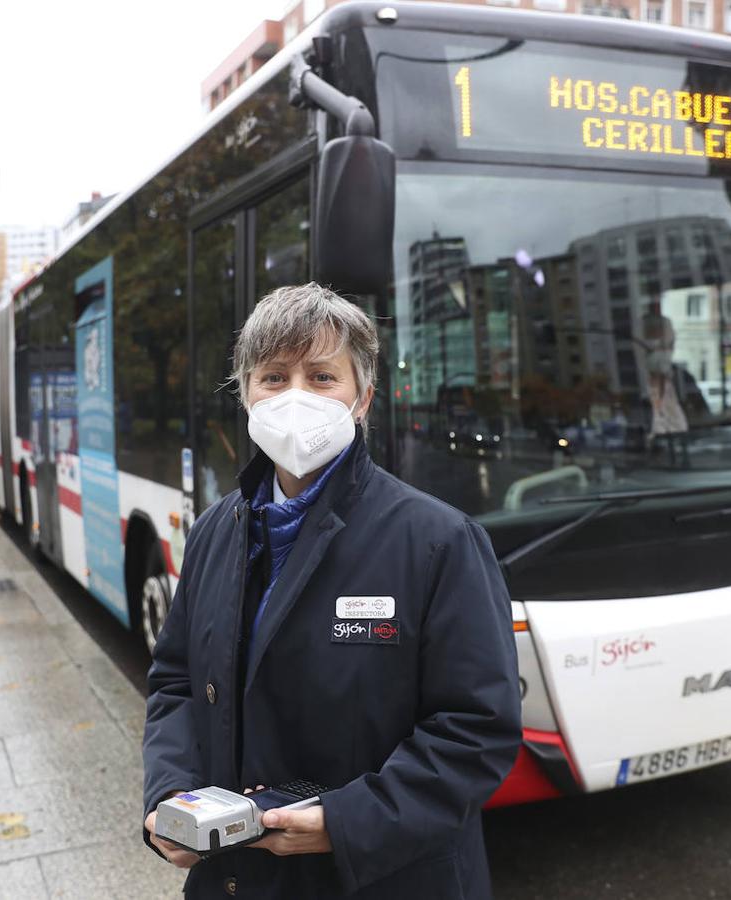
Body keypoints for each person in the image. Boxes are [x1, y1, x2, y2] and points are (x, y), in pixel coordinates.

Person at [142, 284, 521, 899]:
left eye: (322, 377)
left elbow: (477, 728)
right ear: (246, 395)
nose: (296, 397)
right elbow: (176, 682)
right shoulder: (214, 531)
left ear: (363, 398)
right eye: (273, 377)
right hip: (236, 879)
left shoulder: (439, 541)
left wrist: (346, 823)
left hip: (383, 881)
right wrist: (170, 796)